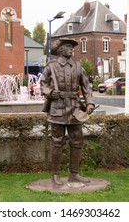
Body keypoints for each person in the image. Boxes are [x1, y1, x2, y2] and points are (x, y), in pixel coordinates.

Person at [40, 38, 95, 186]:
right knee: (57, 142)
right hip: (57, 108)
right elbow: (43, 84)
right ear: (60, 50)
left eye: (72, 47)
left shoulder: (78, 66)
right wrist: (51, 93)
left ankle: (74, 175)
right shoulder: (51, 66)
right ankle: (56, 175)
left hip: (75, 109)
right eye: (69, 47)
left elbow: (86, 87)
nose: (72, 49)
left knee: (77, 141)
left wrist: (89, 103)